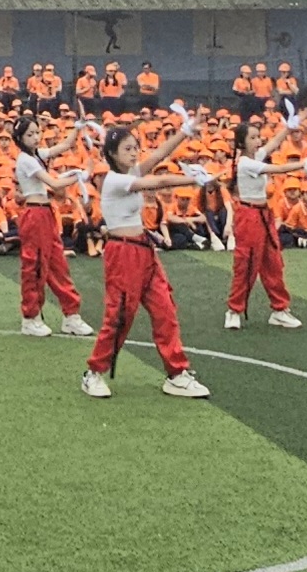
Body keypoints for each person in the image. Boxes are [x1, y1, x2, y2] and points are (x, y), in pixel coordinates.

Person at [82, 111, 214, 401]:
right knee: (119, 316)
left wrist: (185, 131)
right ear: (112, 154)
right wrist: (189, 180)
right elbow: (155, 182)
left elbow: (158, 155)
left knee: (165, 309)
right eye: (127, 149)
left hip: (143, 249)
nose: (134, 153)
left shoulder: (131, 172)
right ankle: (94, 371)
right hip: (122, 252)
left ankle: (177, 373)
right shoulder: (114, 180)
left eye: (134, 147)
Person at [223, 104, 307, 332]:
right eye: (253, 138)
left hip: (263, 214)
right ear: (242, 143)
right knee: (246, 264)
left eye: (258, 136)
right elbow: (276, 170)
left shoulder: (256, 157)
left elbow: (274, 143)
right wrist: (304, 163)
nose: (259, 140)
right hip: (249, 215)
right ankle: (234, 310)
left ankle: (279, 309)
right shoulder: (246, 163)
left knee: (272, 262)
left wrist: (290, 125)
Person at [11, 114, 90, 336]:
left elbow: (64, 145)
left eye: (37, 132)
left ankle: (71, 315)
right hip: (34, 213)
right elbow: (54, 184)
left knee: (58, 264)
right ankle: (31, 316)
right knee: (35, 266)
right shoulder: (25, 160)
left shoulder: (36, 155)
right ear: (20, 137)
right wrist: (79, 176)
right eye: (30, 134)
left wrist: (77, 127)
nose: (36, 137)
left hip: (45, 213)